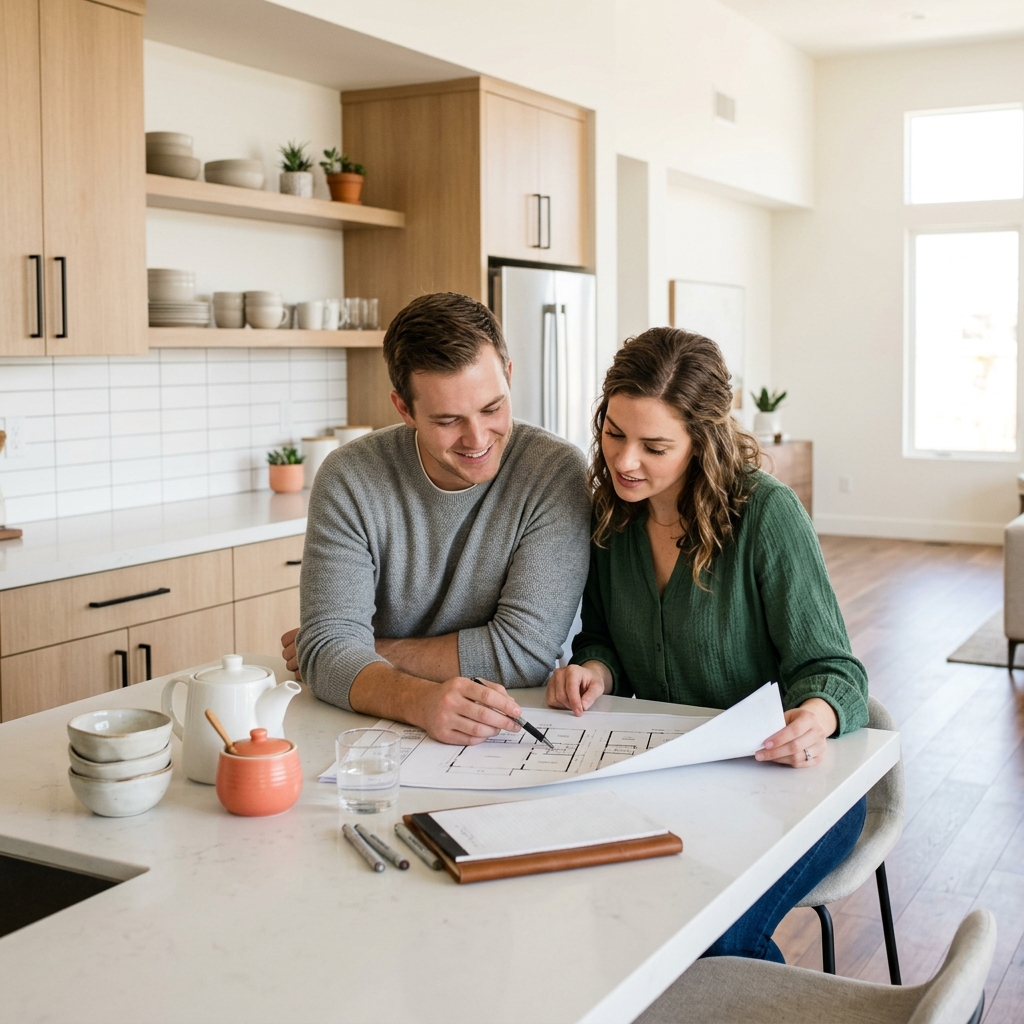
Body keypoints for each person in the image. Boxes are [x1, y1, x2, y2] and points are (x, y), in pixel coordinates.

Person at [546, 326, 869, 962]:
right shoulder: (612, 516)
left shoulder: (765, 515)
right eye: (614, 433)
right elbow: (603, 636)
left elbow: (835, 671)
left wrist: (816, 714)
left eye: (654, 445)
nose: (624, 461)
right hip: (673, 783)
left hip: (790, 794)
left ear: (702, 443)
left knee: (715, 938)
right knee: (612, 923)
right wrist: (596, 670)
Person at [290, 291, 591, 745]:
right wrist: (418, 701)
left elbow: (524, 654)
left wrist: (363, 652)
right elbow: (326, 653)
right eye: (448, 420)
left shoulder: (552, 472)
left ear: (508, 377)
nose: (477, 438)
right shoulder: (349, 477)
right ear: (404, 409)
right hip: (373, 731)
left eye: (492, 408)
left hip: (515, 724)